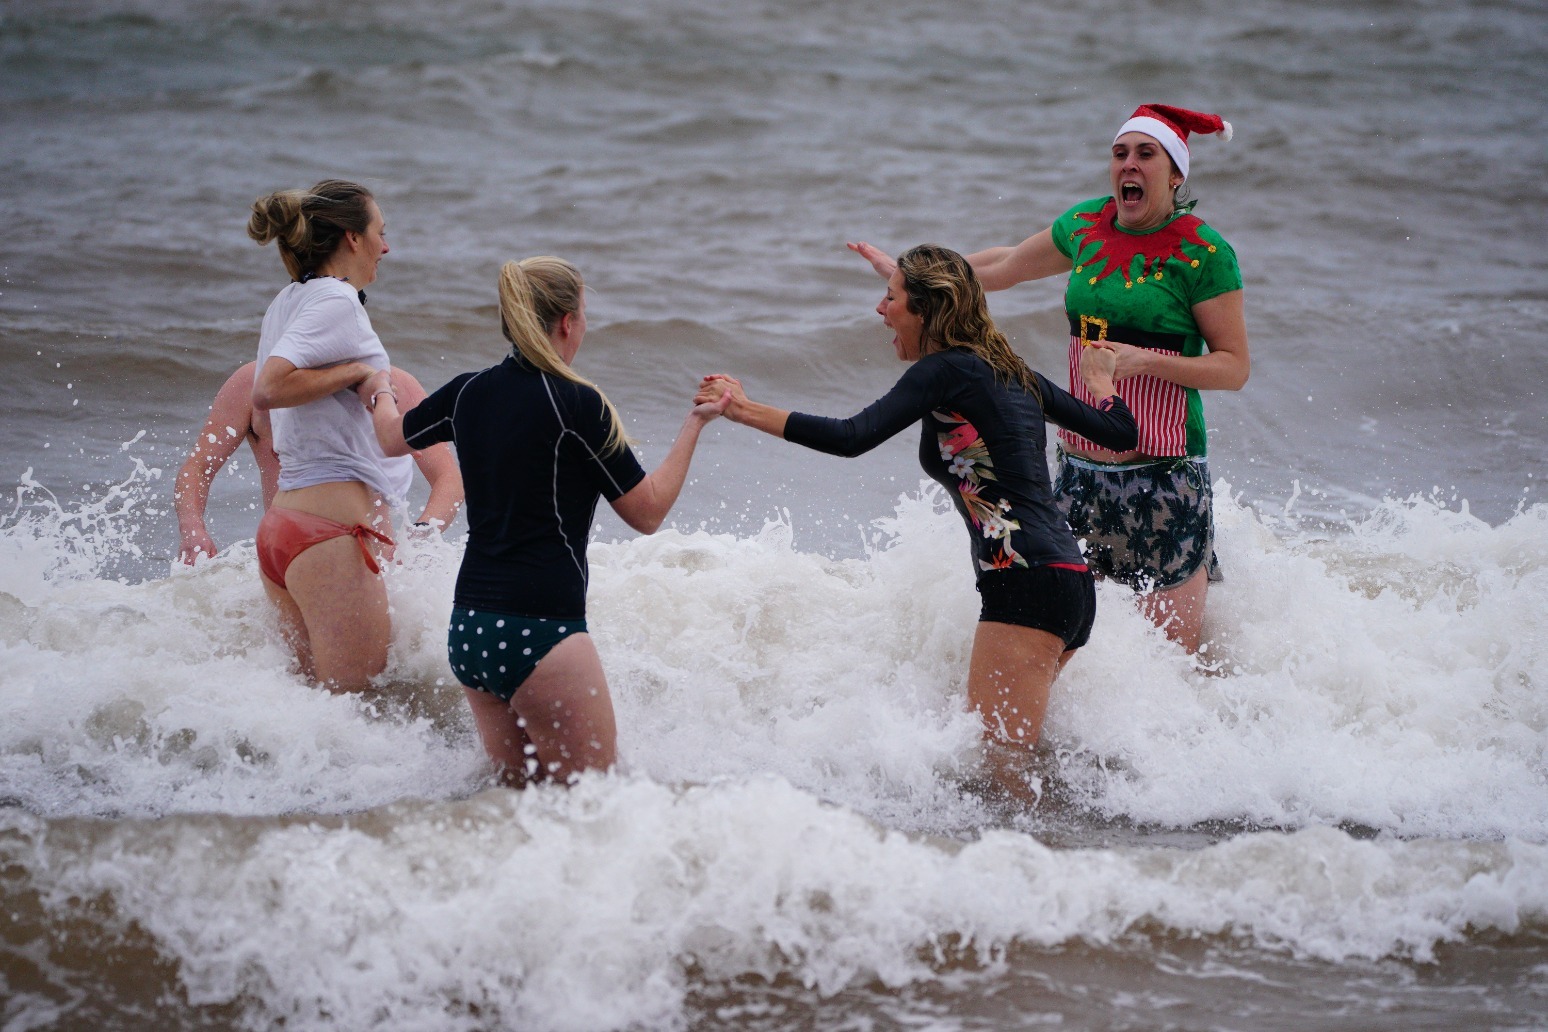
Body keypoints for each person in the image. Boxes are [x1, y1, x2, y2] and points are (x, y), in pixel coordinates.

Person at [696, 244, 1136, 801]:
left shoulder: (946, 369)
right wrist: (1102, 385)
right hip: (1067, 583)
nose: (881, 310)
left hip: (1024, 583)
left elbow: (852, 436)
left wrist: (743, 409)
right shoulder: (1011, 373)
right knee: (1015, 770)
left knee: (1004, 775)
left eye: (891, 297)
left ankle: (1035, 877)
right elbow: (1119, 433)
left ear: (927, 310)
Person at [849, 104, 1249, 654]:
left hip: (1166, 481)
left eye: (1146, 154)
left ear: (1176, 172)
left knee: (1173, 670)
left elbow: (1233, 366)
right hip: (1079, 478)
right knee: (1067, 654)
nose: (1128, 164)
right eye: (1120, 153)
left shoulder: (1205, 254)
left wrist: (1143, 361)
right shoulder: (1086, 225)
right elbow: (1006, 265)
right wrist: (913, 279)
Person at [360, 256, 729, 786]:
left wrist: (380, 390)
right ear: (566, 323)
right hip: (543, 630)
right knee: (594, 806)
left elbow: (391, 438)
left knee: (515, 808)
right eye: (583, 313)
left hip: (471, 631)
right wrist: (695, 423)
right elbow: (647, 513)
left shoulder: (467, 391)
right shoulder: (578, 404)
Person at [245, 178, 408, 692]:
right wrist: (357, 373)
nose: (386, 246)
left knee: (312, 725)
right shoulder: (337, 300)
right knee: (359, 714)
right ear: (352, 238)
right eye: (380, 233)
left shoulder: (287, 301)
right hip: (328, 535)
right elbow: (269, 388)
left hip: (284, 528)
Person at [174, 361, 463, 565]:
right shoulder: (254, 384)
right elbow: (197, 467)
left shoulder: (394, 387)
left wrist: (420, 536)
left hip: (376, 560)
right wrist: (193, 530)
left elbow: (449, 478)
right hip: (290, 552)